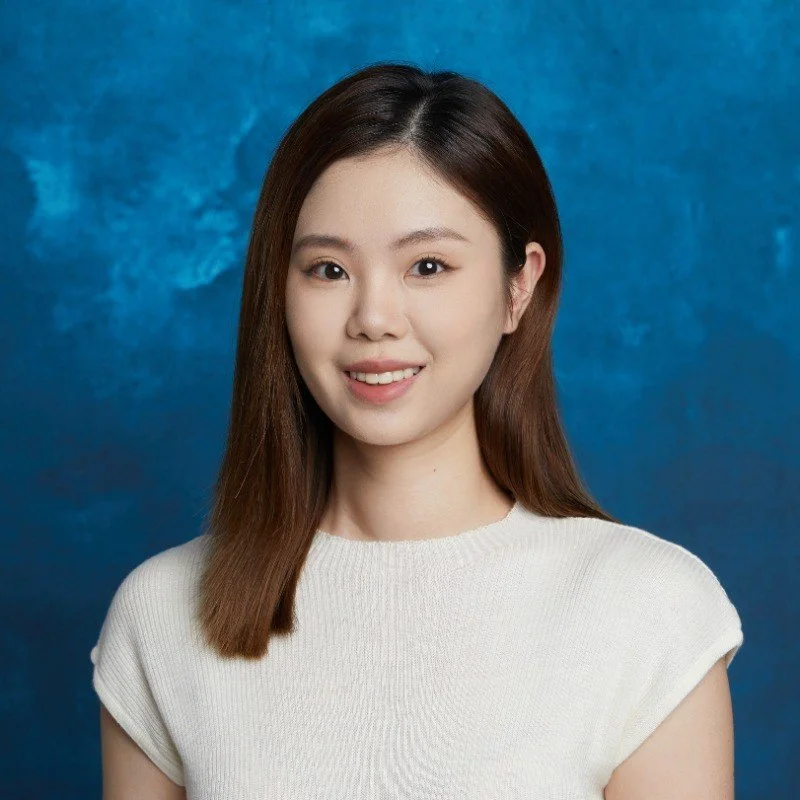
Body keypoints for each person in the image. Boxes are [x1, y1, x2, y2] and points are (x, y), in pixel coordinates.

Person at [90, 62, 744, 799]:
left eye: (427, 266)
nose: (374, 317)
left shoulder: (646, 610)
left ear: (518, 286)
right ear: (278, 289)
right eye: (328, 270)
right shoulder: (164, 611)